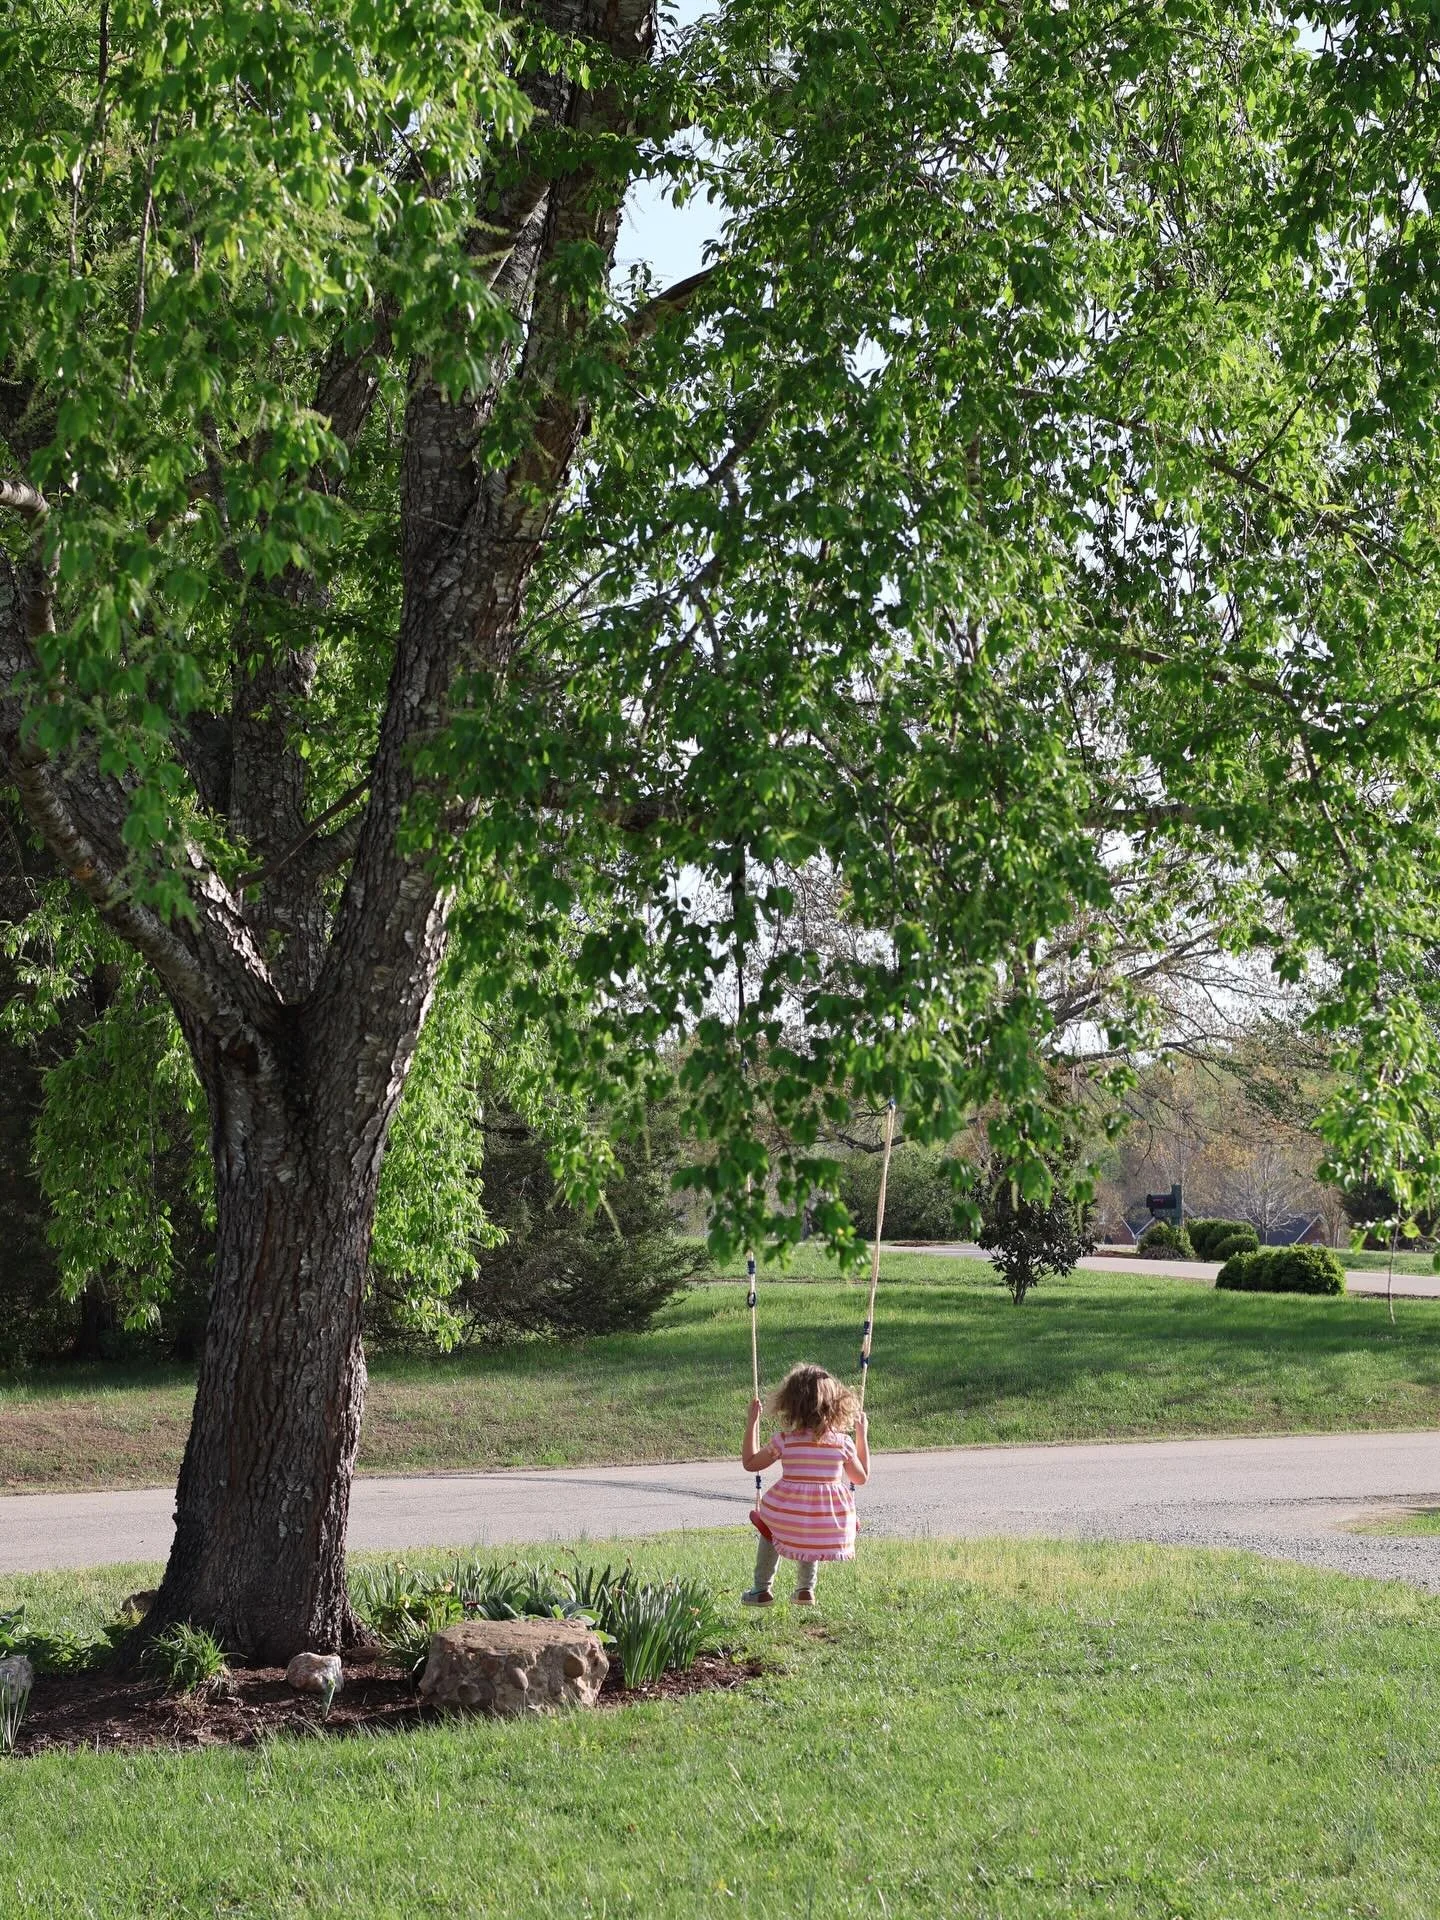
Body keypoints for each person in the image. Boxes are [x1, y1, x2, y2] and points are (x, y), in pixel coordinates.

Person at [740, 1361, 870, 1606]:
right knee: (810, 1523)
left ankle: (761, 1590)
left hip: (789, 1517)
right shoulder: (842, 1443)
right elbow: (860, 1478)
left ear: (790, 1404)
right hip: (829, 1524)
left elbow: (750, 1462)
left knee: (769, 1526)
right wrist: (862, 1436)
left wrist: (752, 1422)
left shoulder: (785, 1441)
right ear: (835, 1404)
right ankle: (805, 1589)